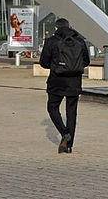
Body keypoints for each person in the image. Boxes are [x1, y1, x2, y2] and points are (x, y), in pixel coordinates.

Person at [39, 18, 90, 154]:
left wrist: (57, 66)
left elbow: (43, 62)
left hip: (57, 81)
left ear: (56, 28)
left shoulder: (51, 41)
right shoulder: (79, 41)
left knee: (52, 107)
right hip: (75, 82)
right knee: (71, 113)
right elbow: (86, 61)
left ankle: (65, 133)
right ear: (69, 26)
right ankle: (69, 145)